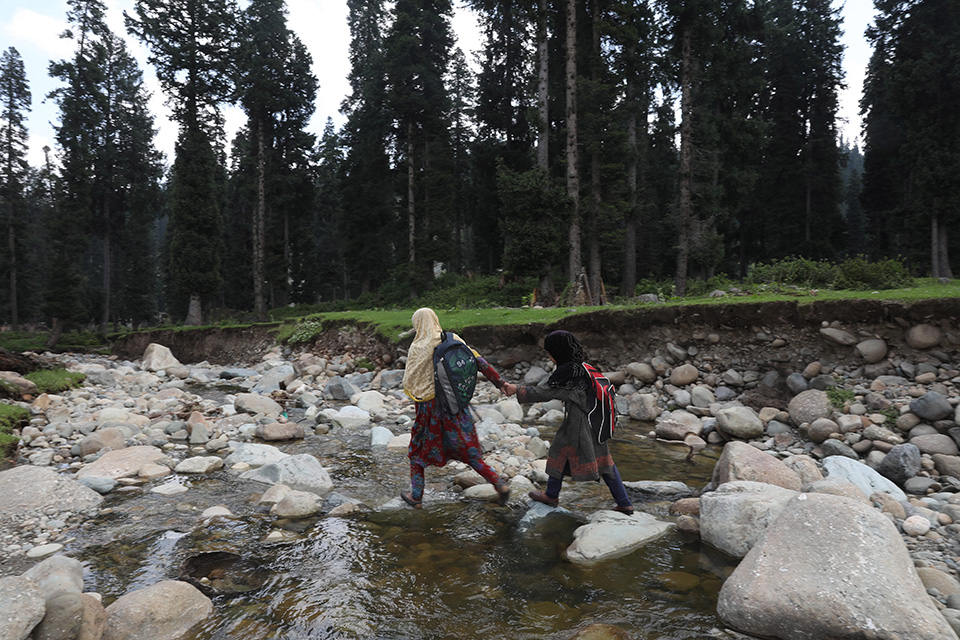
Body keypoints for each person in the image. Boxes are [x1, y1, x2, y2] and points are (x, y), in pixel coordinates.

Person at [502, 330, 634, 514]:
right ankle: (624, 502)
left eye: (550, 352)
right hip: (596, 421)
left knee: (560, 451)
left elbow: (546, 392)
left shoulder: (568, 371)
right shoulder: (584, 367)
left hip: (579, 423)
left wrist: (517, 389)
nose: (549, 356)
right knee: (604, 461)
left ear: (559, 351)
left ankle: (551, 495)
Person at [400, 307, 511, 509]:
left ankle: (416, 496)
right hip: (455, 405)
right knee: (469, 450)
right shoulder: (452, 339)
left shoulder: (418, 346)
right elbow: (480, 362)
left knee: (417, 452)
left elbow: (410, 381)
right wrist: (500, 383)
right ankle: (499, 484)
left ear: (417, 324)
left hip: (430, 410)